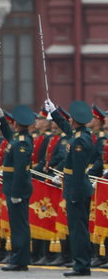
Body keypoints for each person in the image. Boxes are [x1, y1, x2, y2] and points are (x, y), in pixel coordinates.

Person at [47, 99, 95, 276]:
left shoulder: (80, 141)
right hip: (75, 188)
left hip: (77, 190)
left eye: (70, 119)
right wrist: (53, 111)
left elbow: (78, 171)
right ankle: (81, 263)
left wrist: (73, 194)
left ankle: (82, 265)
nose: (68, 122)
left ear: (74, 120)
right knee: (76, 229)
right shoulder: (79, 135)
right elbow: (65, 128)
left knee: (78, 230)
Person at [0, 105, 34, 271]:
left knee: (19, 225)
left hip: (17, 188)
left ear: (16, 123)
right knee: (17, 224)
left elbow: (19, 170)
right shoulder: (19, 138)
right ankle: (18, 257)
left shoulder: (22, 142)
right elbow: (9, 135)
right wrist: (2, 119)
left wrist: (16, 193)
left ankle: (20, 260)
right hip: (14, 186)